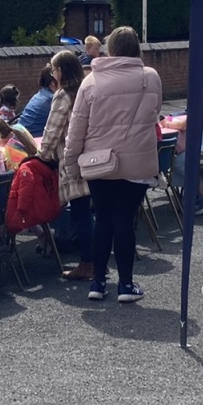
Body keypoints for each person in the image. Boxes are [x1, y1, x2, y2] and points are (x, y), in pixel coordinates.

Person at [63, 26, 163, 304]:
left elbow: (76, 128)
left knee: (103, 219)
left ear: (110, 49)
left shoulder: (91, 81)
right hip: (137, 163)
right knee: (125, 220)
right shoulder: (150, 77)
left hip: (98, 163)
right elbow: (155, 112)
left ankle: (97, 282)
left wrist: (71, 165)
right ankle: (126, 285)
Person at [38, 49, 93, 280]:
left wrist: (42, 155)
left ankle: (88, 264)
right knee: (89, 212)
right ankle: (93, 261)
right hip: (92, 158)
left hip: (72, 160)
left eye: (53, 69)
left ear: (60, 71)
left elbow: (53, 131)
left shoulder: (63, 95)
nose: (52, 73)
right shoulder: (87, 89)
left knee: (81, 213)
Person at [17, 67, 56, 138]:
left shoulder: (40, 95)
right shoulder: (52, 99)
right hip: (32, 143)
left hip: (20, 139)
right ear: (53, 83)